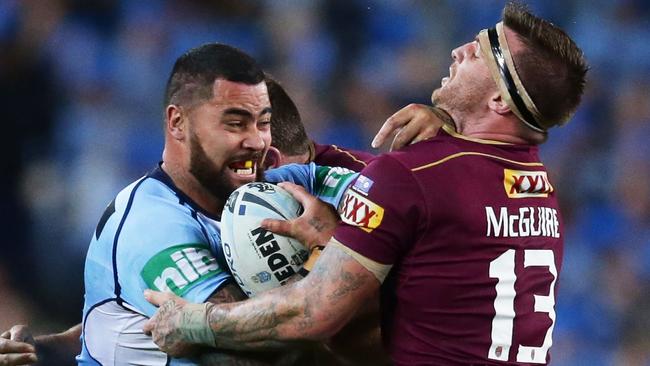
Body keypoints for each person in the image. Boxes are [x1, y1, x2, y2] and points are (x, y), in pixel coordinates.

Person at [142, 2, 589, 365]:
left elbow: (312, 313)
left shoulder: (417, 175)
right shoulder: (539, 190)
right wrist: (450, 125)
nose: (458, 52)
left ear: (498, 100)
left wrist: (194, 323)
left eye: (478, 54)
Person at [0, 60, 444, 365]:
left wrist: (448, 131)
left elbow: (268, 330)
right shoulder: (164, 217)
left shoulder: (370, 189)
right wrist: (55, 348)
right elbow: (168, 309)